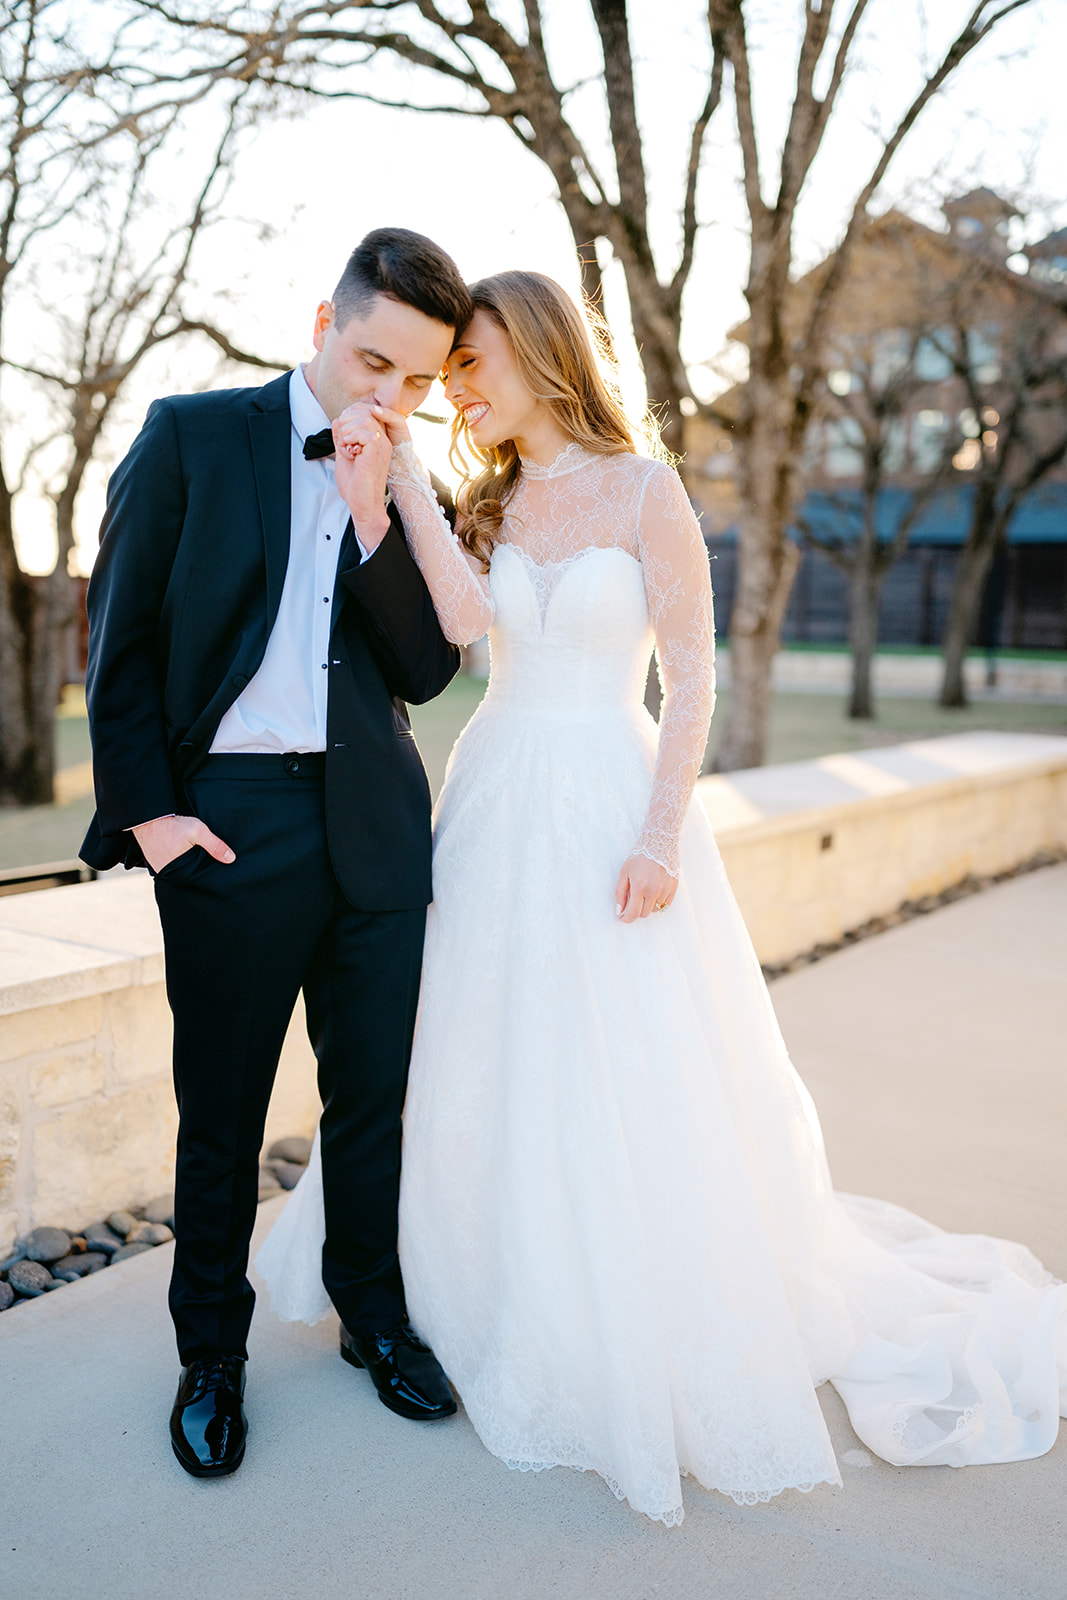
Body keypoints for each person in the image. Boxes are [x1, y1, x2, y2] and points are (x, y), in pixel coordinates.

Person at [257, 271, 1066, 1525]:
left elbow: (687, 677)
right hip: (493, 794)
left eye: (472, 363)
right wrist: (406, 485)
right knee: (471, 1053)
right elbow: (468, 631)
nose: (458, 387)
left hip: (606, 798)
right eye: (450, 370)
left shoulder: (647, 489)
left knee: (614, 1063)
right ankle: (462, 1293)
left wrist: (658, 838)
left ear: (536, 352)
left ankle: (617, 1308)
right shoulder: (490, 497)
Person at [81, 228, 474, 1479]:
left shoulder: (413, 477)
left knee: (372, 1101)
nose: (389, 397)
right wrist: (151, 816)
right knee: (223, 1112)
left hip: (374, 830)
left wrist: (372, 511)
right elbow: (121, 634)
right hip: (229, 826)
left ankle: (374, 1317)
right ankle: (211, 1355)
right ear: (322, 318)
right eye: (372, 362)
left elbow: (424, 668)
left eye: (416, 380)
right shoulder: (191, 434)